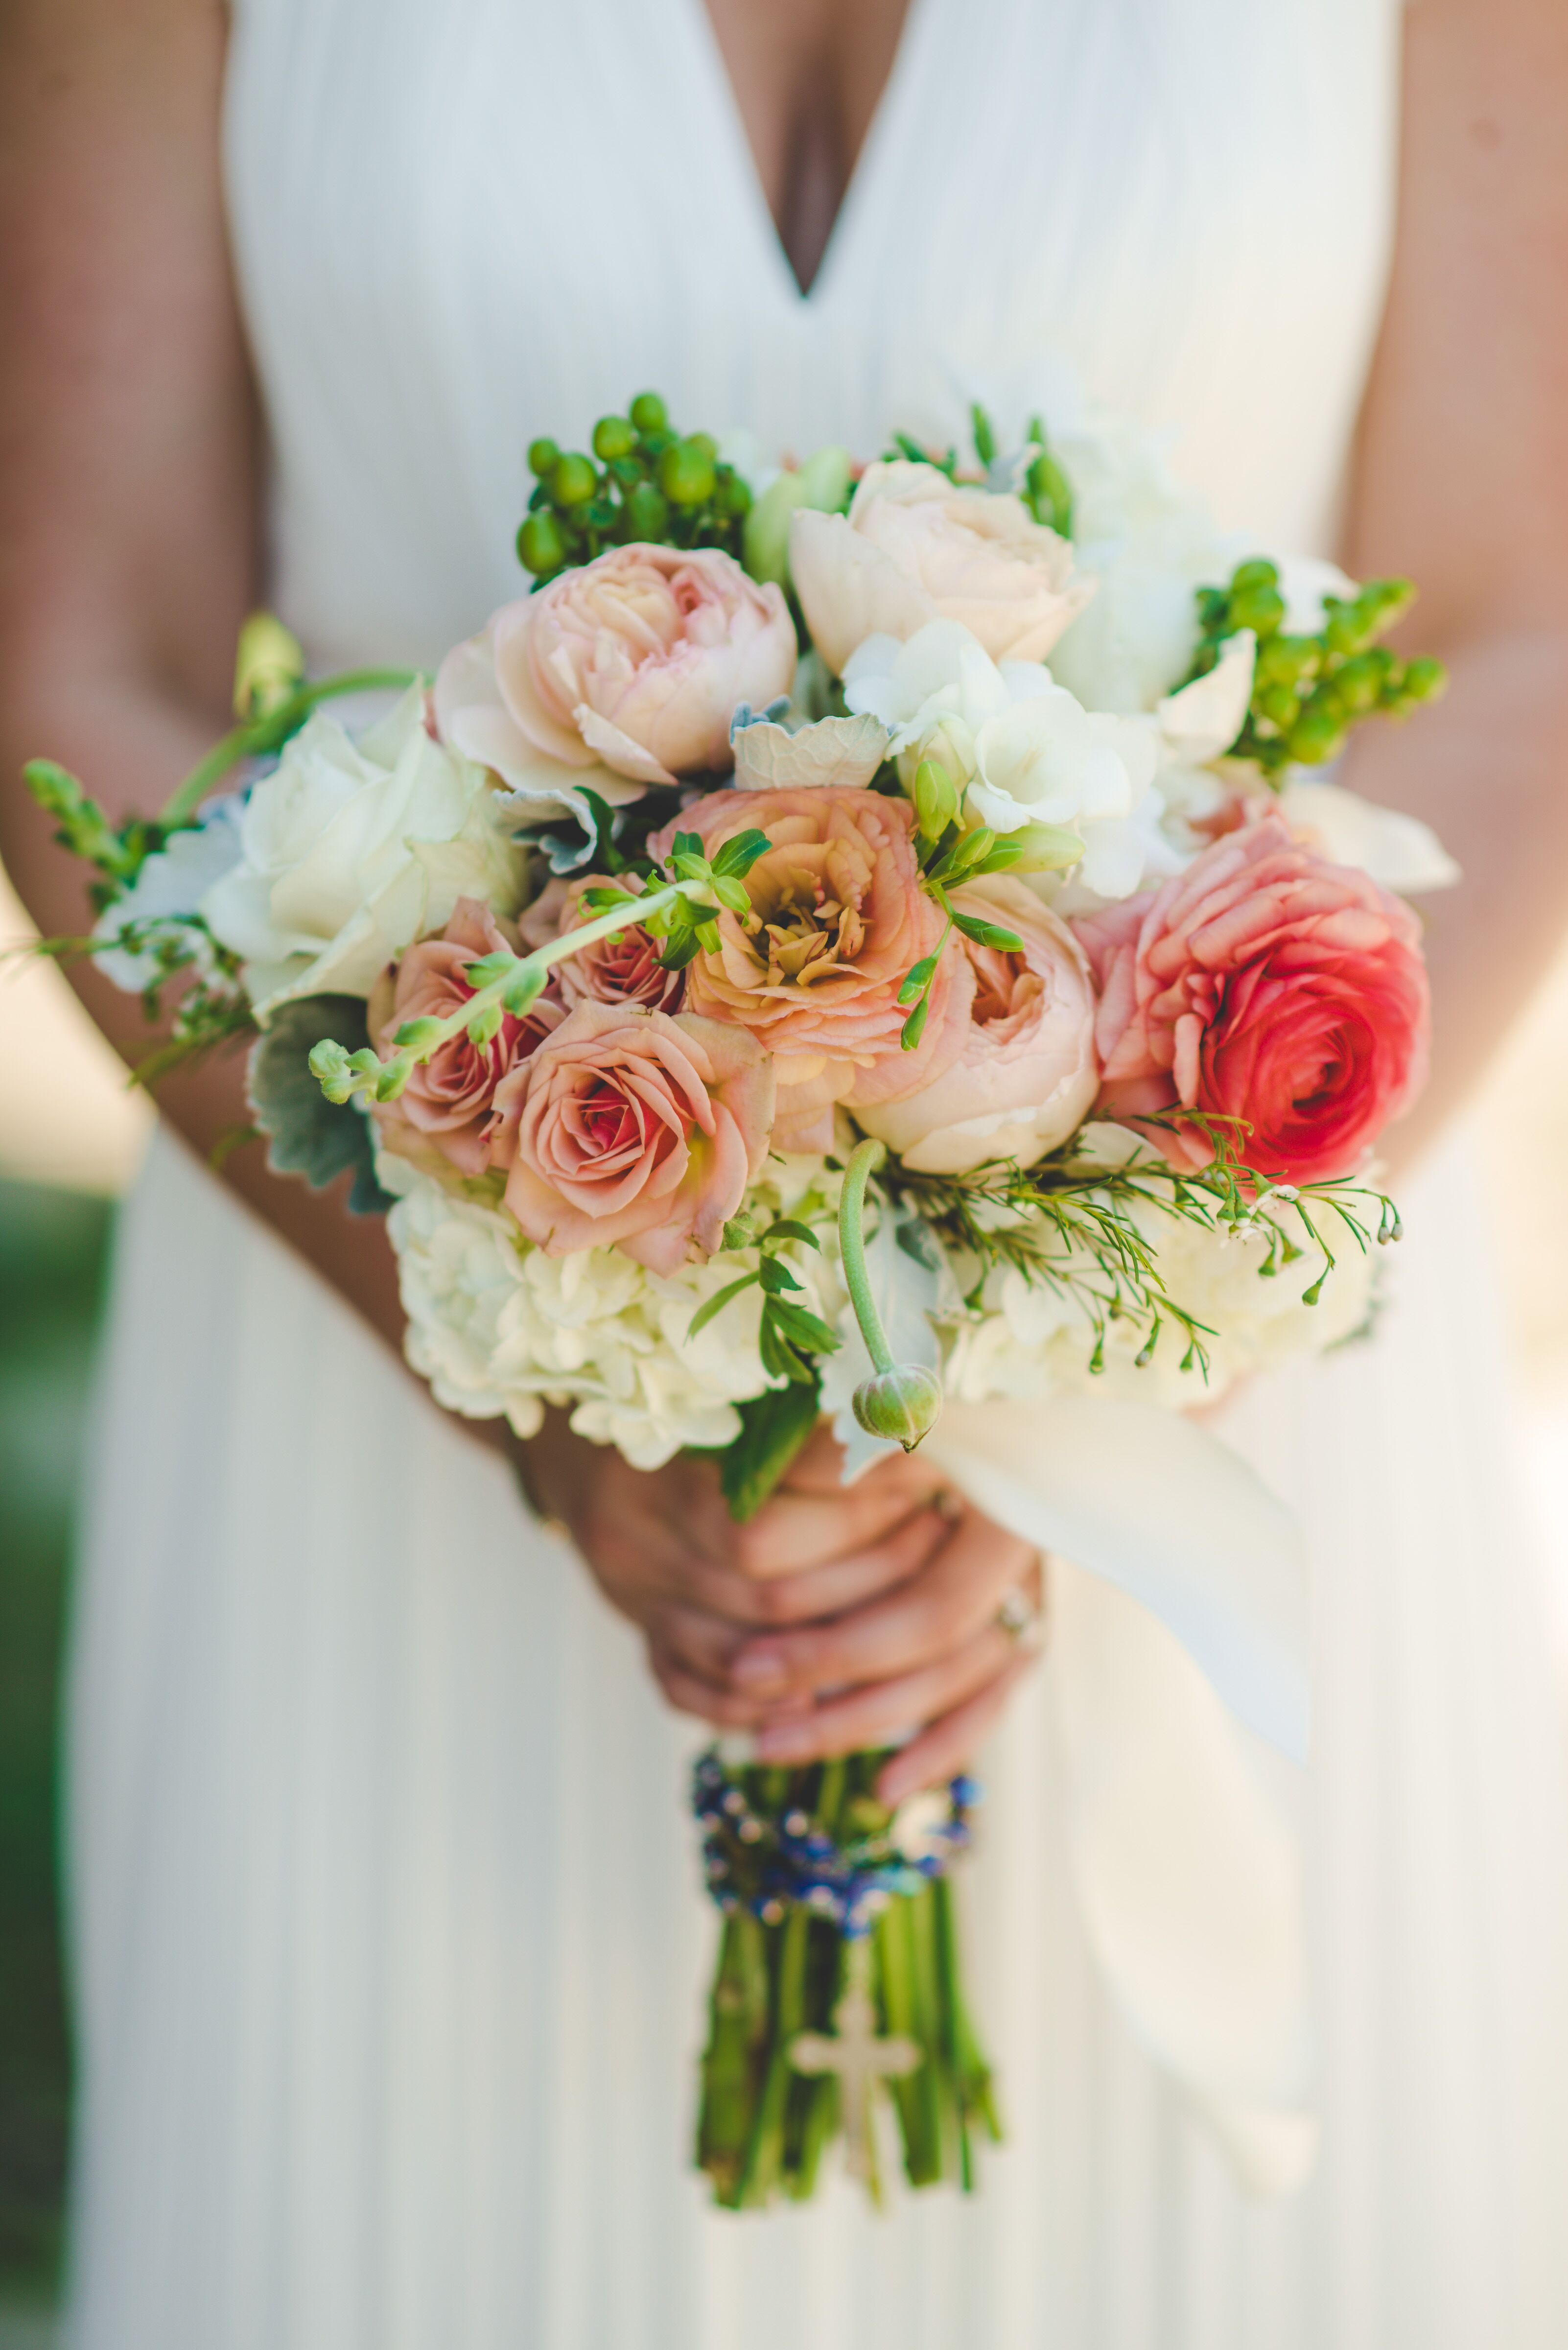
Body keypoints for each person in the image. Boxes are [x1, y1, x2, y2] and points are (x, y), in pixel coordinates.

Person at [1, 0, 1567, 2341]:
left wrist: (1086, 1371)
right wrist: (540, 1397)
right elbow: (77, 669)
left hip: (1235, 1437)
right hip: (393, 1393)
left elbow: (1514, 634)